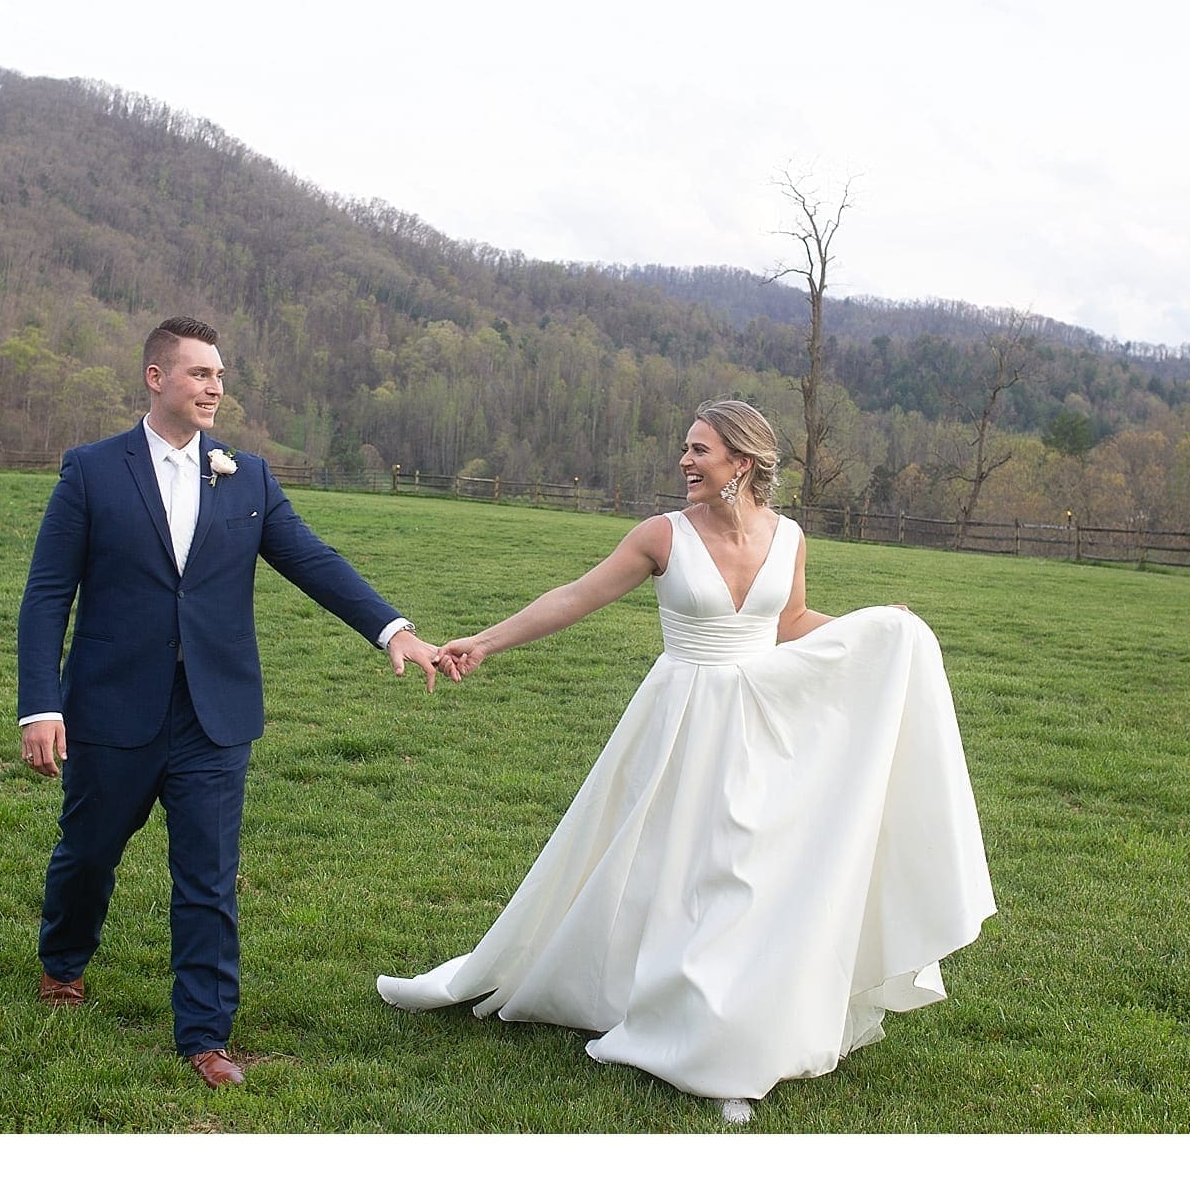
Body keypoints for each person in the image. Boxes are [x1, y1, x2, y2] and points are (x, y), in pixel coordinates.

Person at [378, 399, 994, 1123]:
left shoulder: (788, 537)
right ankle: (662, 1006)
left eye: (699, 450)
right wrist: (484, 642)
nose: (684, 462)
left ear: (741, 461)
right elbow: (577, 595)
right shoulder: (662, 536)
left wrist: (882, 633)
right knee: (672, 870)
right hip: (681, 720)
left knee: (744, 875)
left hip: (764, 719)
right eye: (685, 449)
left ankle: (727, 1035)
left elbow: (789, 622)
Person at [19, 315, 452, 1089]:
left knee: (209, 877)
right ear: (157, 378)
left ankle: (205, 1033)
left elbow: (313, 560)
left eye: (219, 375)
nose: (215, 387)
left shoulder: (245, 476)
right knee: (88, 852)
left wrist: (393, 631)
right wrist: (39, 704)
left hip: (214, 716)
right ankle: (63, 960)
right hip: (112, 707)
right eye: (199, 374)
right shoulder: (89, 470)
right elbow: (49, 593)